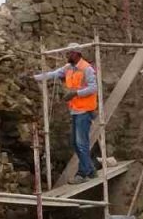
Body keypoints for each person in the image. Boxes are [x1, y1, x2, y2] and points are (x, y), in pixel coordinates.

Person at [32, 46, 99, 184]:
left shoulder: (87, 69)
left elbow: (94, 87)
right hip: (75, 110)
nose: (66, 55)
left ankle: (83, 173)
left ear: (76, 54)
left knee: (81, 143)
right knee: (75, 143)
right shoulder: (68, 67)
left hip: (85, 111)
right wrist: (34, 78)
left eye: (69, 53)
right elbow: (53, 74)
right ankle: (91, 170)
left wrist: (75, 93)